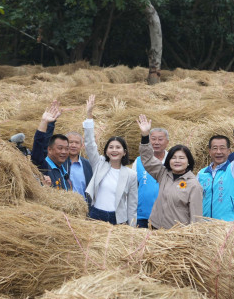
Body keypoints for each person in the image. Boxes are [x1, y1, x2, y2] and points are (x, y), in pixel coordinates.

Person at [137, 114, 202, 229]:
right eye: (173, 158)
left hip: (176, 234)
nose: (177, 161)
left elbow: (196, 217)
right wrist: (145, 136)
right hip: (155, 229)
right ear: (169, 160)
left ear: (188, 162)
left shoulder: (193, 185)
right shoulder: (163, 174)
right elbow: (147, 159)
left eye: (181, 158)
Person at [81, 95, 138, 225]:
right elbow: (90, 144)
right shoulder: (99, 164)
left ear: (124, 152)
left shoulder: (131, 175)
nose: (114, 150)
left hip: (118, 219)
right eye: (111, 147)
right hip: (96, 215)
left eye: (118, 147)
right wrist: (89, 115)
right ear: (106, 151)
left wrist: (132, 228)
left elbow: (132, 205)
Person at [199, 106, 234, 221]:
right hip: (204, 228)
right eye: (215, 148)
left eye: (222, 148)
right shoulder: (201, 174)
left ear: (229, 151)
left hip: (227, 228)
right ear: (209, 152)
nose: (218, 152)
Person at [30, 102, 74, 190]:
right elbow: (39, 146)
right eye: (60, 148)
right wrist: (45, 122)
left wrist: (52, 122)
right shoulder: (44, 167)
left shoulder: (64, 169)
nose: (64, 152)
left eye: (66, 149)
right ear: (49, 150)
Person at [135, 125, 170, 228]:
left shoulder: (173, 161)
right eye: (153, 139)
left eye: (160, 139)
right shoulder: (138, 161)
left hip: (166, 216)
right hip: (143, 215)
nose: (156, 142)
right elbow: (133, 187)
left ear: (167, 142)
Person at [64, 131, 93, 198]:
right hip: (63, 204)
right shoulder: (59, 162)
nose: (73, 145)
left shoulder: (87, 165)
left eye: (77, 143)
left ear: (82, 146)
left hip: (83, 206)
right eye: (70, 142)